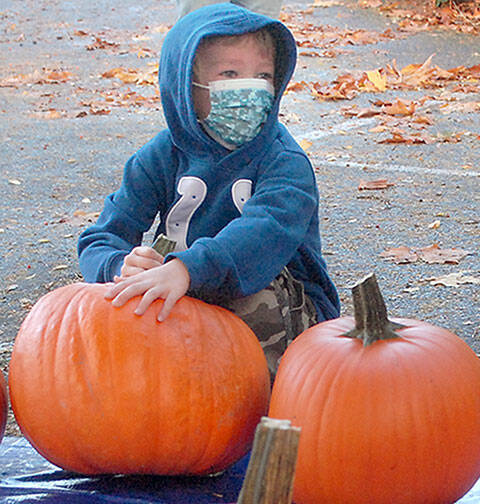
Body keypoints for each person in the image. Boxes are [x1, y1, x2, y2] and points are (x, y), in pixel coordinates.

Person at [78, 3, 335, 378]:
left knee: (252, 301)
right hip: (186, 285)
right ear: (185, 86)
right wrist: (120, 266)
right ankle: (154, 409)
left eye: (263, 76)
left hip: (281, 304)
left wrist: (186, 268)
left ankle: (257, 411)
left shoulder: (284, 161)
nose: (250, 90)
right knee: (123, 299)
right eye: (229, 73)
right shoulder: (159, 156)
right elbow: (102, 236)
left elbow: (263, 233)